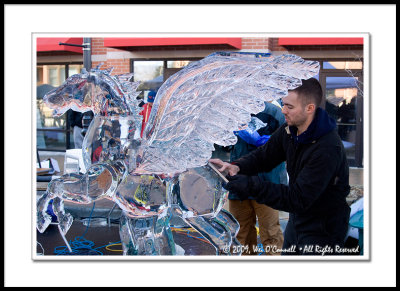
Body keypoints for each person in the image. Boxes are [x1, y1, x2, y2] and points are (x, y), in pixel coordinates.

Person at [210, 78, 351, 256]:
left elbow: (297, 198)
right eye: (284, 104)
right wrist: (235, 166)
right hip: (297, 223)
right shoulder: (290, 130)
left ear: (309, 108)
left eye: (289, 107)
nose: (283, 110)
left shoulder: (327, 148)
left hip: (324, 229)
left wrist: (249, 185)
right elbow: (264, 156)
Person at [228, 101, 287, 255]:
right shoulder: (234, 110)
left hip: (268, 181)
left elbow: (286, 142)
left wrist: (266, 141)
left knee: (270, 233)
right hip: (238, 182)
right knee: (240, 234)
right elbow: (224, 145)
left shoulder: (276, 112)